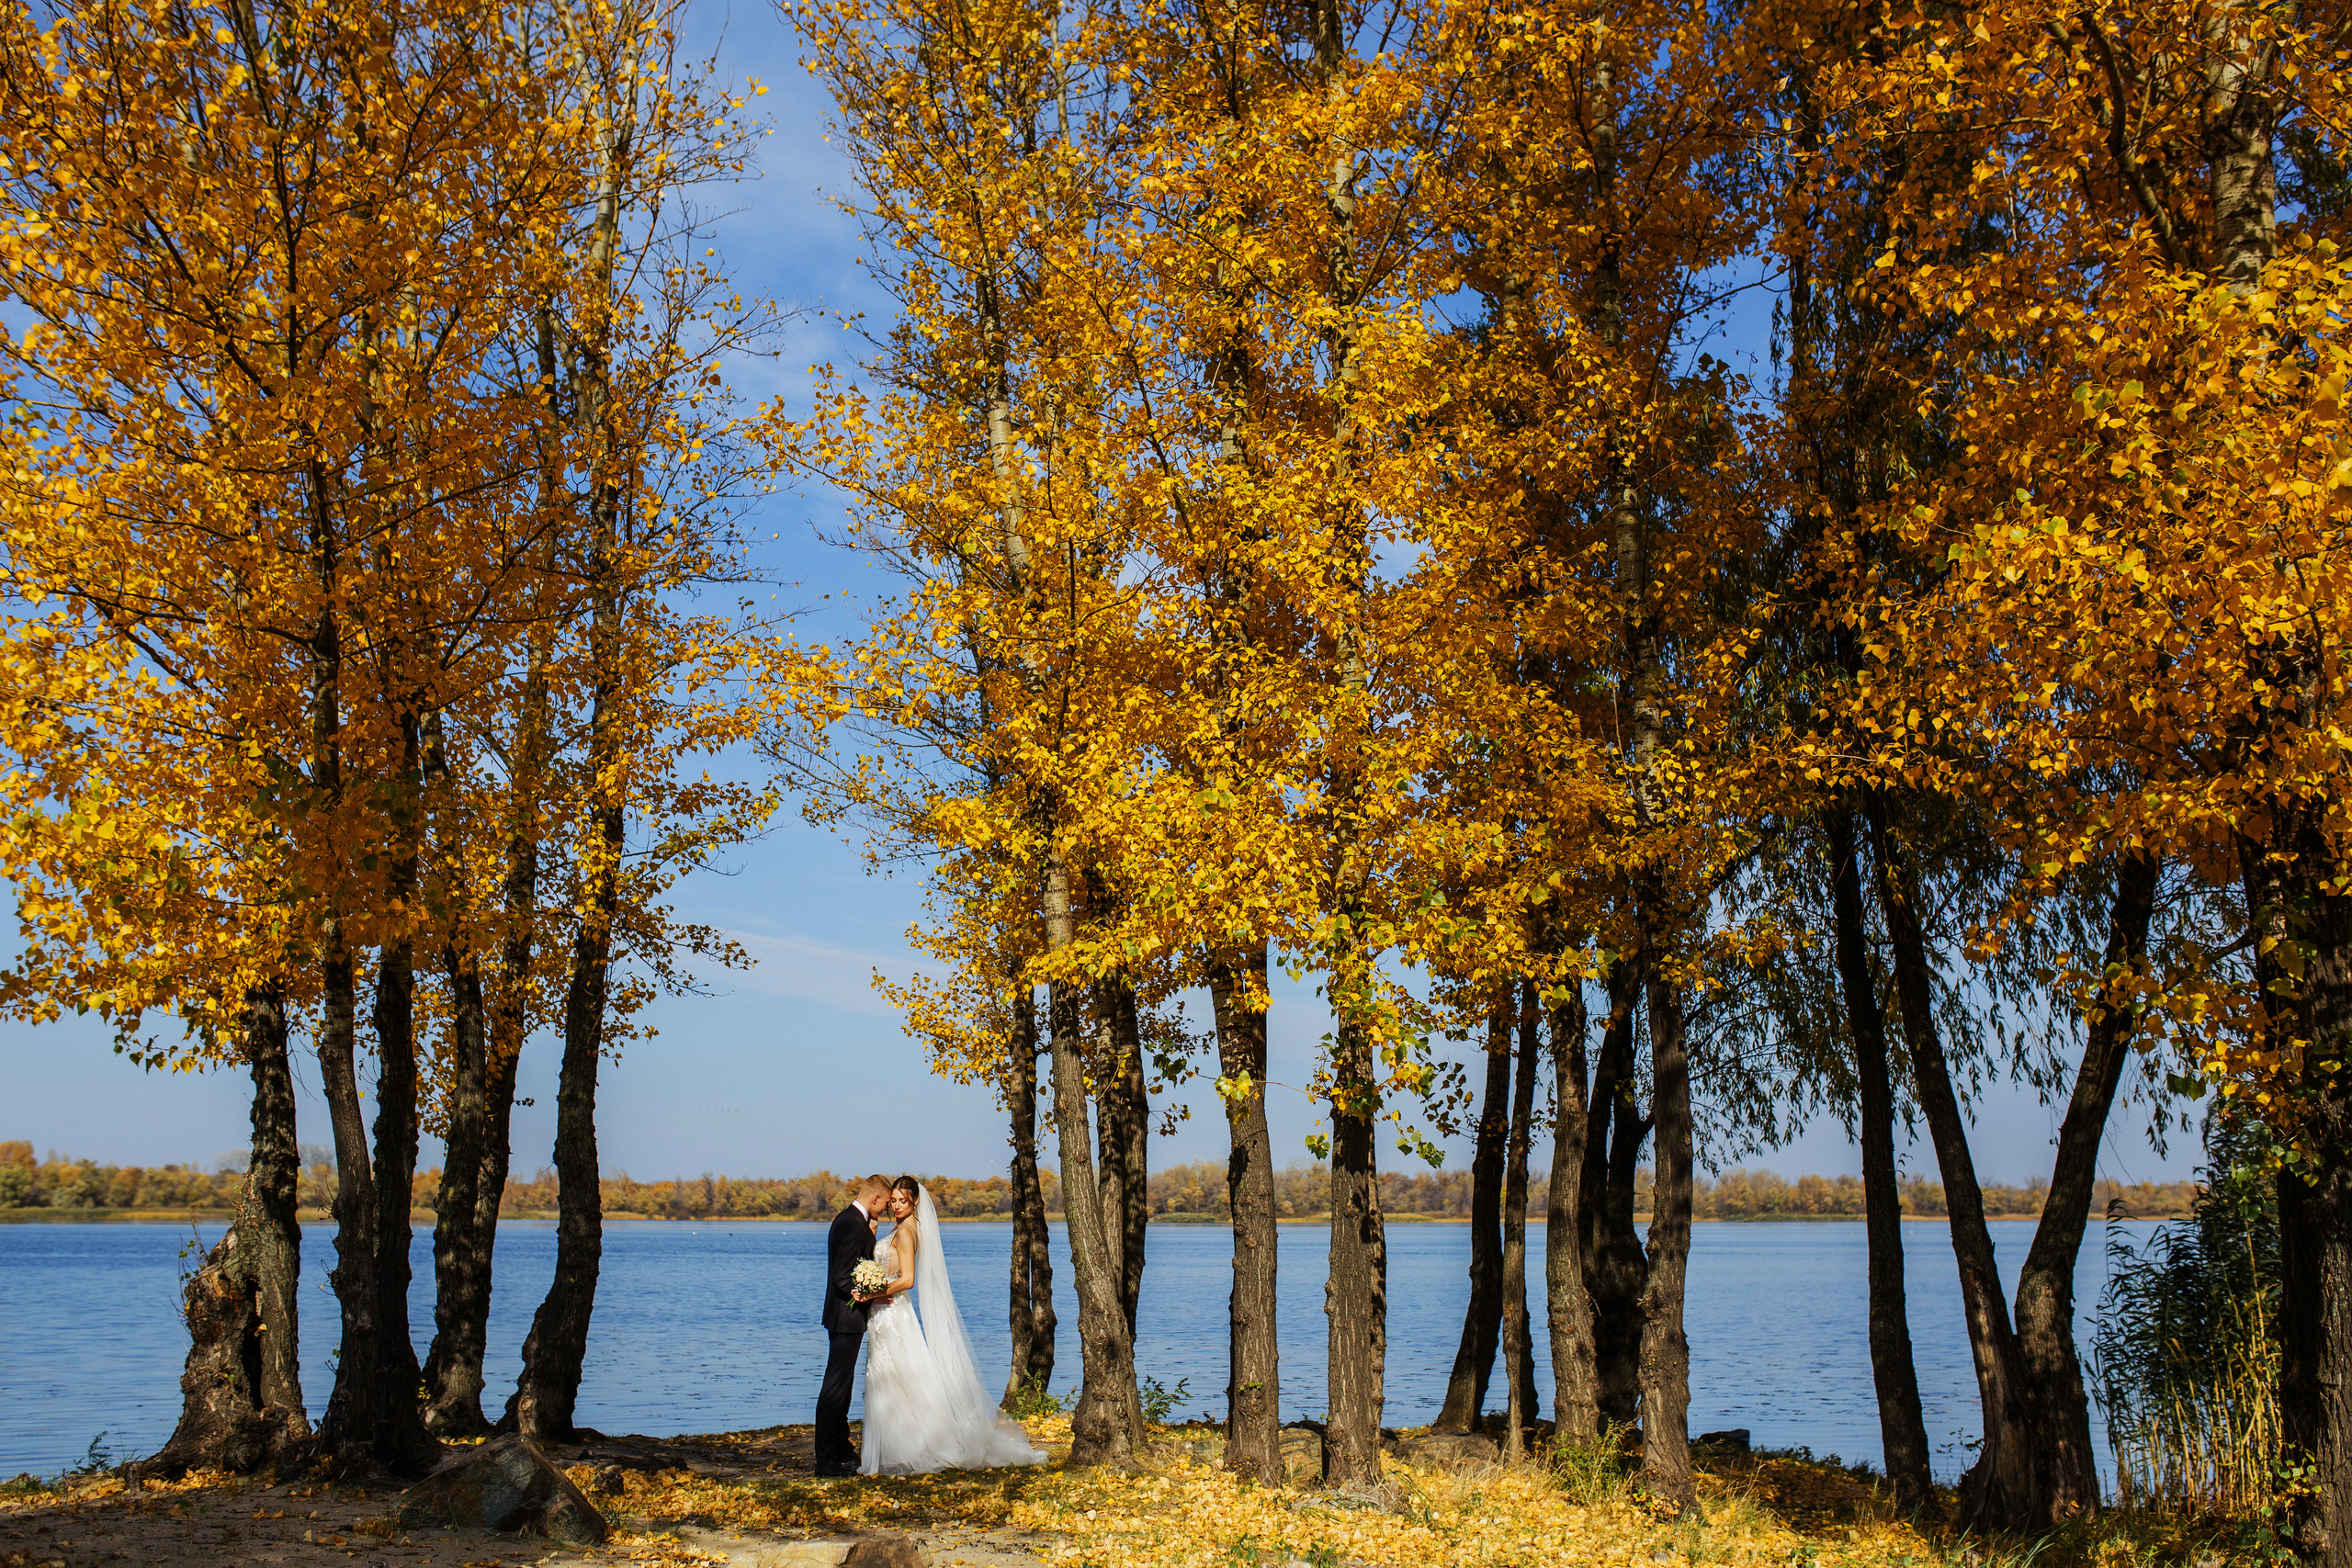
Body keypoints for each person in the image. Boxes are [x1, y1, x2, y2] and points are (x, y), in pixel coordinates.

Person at [859, 1175, 1047, 1474]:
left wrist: (873, 1292)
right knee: (887, 1378)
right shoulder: (898, 1228)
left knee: (899, 1376)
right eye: (893, 1200)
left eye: (902, 1201)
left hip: (894, 1313)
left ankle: (917, 1446)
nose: (895, 1206)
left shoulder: (907, 1232)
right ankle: (893, 1446)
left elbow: (906, 1279)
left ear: (915, 1201)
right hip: (883, 1314)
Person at [814, 1173, 892, 1476]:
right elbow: (843, 1276)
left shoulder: (853, 1221)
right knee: (835, 1389)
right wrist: (873, 1294)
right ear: (874, 1198)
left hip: (846, 1317)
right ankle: (826, 1460)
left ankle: (842, 1450)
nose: (885, 1210)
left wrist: (872, 1231)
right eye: (885, 1204)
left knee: (842, 1389)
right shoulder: (850, 1224)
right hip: (844, 1317)